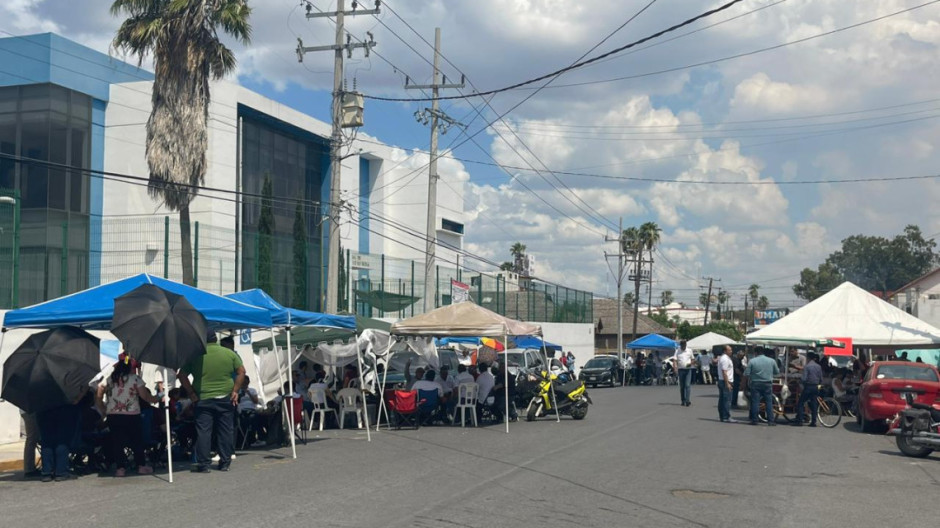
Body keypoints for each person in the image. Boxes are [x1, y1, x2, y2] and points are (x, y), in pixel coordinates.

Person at [177, 331, 246, 473]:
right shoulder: (229, 353)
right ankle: (225, 462)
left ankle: (203, 464)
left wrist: (191, 393)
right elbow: (241, 372)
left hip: (203, 398)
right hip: (225, 397)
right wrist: (235, 391)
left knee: (204, 431)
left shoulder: (195, 355)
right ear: (216, 340)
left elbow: (182, 375)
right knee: (225, 430)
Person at [95, 355, 159, 477]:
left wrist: (103, 408)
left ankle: (120, 468)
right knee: (136, 441)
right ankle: (141, 465)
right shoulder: (135, 379)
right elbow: (145, 397)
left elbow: (99, 390)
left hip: (113, 415)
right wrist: (158, 397)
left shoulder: (109, 379)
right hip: (132, 414)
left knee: (117, 442)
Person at [36, 389, 86, 482]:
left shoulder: (39, 383)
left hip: (43, 410)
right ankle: (61, 472)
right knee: (62, 441)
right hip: (62, 410)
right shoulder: (63, 381)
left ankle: (47, 472)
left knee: (46, 442)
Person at [744, 348, 779, 426]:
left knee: (755, 402)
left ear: (756, 353)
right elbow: (777, 372)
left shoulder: (752, 361)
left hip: (755, 383)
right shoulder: (772, 361)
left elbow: (746, 373)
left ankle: (755, 420)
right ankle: (771, 421)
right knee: (769, 402)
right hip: (767, 384)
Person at [795, 352, 823, 427]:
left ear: (808, 358)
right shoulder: (818, 366)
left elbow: (804, 379)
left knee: (801, 403)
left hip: (808, 386)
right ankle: (813, 422)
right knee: (814, 404)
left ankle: (800, 420)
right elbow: (821, 379)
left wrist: (800, 381)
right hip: (816, 387)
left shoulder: (807, 367)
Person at [674, 340, 695, 407]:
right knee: (682, 386)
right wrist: (675, 368)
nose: (683, 346)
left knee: (687, 385)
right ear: (680, 345)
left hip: (688, 370)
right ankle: (683, 400)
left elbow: (693, 359)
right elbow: (675, 360)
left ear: (686, 345)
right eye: (682, 345)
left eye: (684, 345)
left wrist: (690, 364)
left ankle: (687, 400)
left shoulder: (689, 350)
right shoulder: (677, 351)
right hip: (681, 370)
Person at [717, 345, 735, 423]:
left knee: (723, 399)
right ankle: (726, 416)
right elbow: (724, 371)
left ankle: (723, 416)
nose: (731, 351)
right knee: (727, 400)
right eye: (729, 350)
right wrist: (727, 383)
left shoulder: (725, 358)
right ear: (725, 351)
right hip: (725, 381)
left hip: (723, 381)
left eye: (731, 350)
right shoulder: (725, 359)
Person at [21, 410, 40, 478]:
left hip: (28, 411)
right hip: (29, 411)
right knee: (32, 438)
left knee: (32, 438)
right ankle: (29, 468)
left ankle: (29, 467)